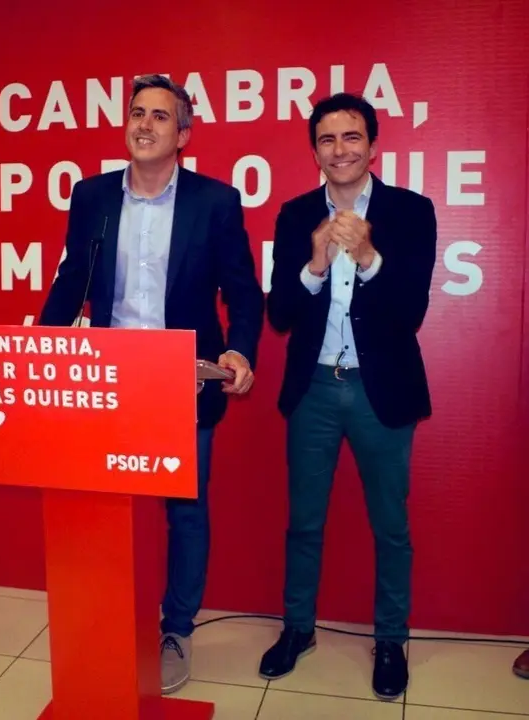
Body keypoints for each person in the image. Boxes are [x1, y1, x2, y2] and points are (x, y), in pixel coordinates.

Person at [39, 74, 265, 694]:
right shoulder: (91, 196)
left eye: (160, 116)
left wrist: (240, 348)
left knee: (185, 512)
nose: (144, 124)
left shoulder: (214, 202)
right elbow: (71, 282)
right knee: (106, 510)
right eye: (137, 113)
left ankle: (176, 630)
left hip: (182, 381)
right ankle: (112, 620)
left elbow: (243, 291)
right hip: (109, 380)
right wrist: (43, 350)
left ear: (183, 135)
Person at [260, 92, 437, 701]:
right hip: (312, 387)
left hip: (378, 389)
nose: (340, 149)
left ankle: (390, 639)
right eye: (328, 139)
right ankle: (297, 629)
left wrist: (366, 257)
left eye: (352, 136)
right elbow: (280, 315)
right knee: (304, 521)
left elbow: (410, 311)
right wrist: (315, 263)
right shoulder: (294, 215)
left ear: (373, 145)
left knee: (390, 525)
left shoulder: (410, 211)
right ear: (315, 151)